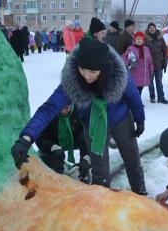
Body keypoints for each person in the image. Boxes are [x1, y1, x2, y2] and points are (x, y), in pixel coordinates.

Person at [11, 38, 147, 195]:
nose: (87, 76)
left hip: (121, 120)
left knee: (132, 160)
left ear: (102, 69)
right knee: (99, 169)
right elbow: (49, 108)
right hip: (93, 126)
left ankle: (140, 192)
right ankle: (101, 204)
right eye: (83, 70)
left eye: (92, 72)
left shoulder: (118, 74)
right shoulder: (73, 80)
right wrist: (26, 138)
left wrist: (140, 118)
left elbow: (133, 96)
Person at [35, 104, 90, 182]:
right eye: (62, 107)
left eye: (67, 107)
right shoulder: (47, 113)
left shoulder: (81, 110)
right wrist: (52, 147)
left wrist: (86, 158)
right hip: (54, 144)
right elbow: (41, 138)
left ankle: (85, 176)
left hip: (77, 139)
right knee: (48, 165)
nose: (65, 110)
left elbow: (91, 136)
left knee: (92, 158)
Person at [122, 31, 153, 96]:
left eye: (140, 39)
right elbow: (124, 57)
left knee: (140, 88)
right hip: (134, 73)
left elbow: (150, 60)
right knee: (135, 89)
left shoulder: (146, 49)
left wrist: (151, 69)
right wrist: (128, 63)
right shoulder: (131, 48)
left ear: (143, 40)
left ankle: (137, 102)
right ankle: (136, 103)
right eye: (137, 39)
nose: (139, 40)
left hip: (144, 73)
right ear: (135, 40)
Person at [145, 23, 168, 104]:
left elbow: (165, 51)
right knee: (150, 82)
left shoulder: (160, 38)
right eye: (150, 28)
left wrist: (165, 62)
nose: (152, 29)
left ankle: (161, 97)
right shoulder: (145, 38)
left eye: (153, 27)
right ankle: (152, 96)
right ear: (148, 29)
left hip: (159, 63)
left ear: (155, 29)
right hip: (149, 64)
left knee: (159, 81)